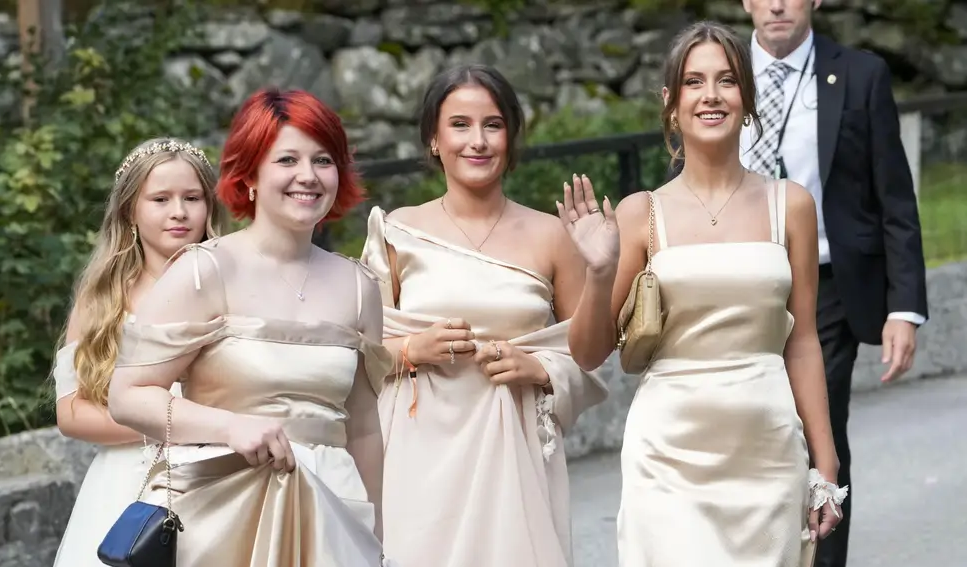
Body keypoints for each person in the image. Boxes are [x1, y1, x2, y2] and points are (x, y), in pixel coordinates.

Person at [559, 21, 847, 566]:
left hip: (766, 450)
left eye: (727, 81)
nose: (711, 96)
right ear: (671, 103)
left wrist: (825, 465)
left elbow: (803, 342)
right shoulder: (639, 212)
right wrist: (599, 272)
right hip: (667, 455)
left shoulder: (793, 205)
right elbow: (589, 352)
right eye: (694, 82)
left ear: (748, 98)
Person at [107, 88, 393, 566]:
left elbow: (363, 427)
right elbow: (127, 394)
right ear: (251, 175)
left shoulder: (360, 286)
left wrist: (377, 534)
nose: (308, 176)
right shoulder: (203, 271)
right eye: (288, 159)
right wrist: (230, 427)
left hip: (331, 514)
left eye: (323, 160)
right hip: (223, 515)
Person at [360, 64, 612, 567]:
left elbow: (590, 353)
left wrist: (542, 365)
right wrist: (412, 348)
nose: (477, 141)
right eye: (459, 125)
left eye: (493, 125)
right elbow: (358, 357)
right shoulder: (396, 231)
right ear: (434, 139)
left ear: (511, 137)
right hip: (418, 453)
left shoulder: (552, 235)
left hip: (514, 452)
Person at [737, 2, 929, 565]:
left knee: (816, 423)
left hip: (826, 285)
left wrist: (905, 307)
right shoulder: (718, 71)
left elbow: (894, 195)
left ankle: (821, 557)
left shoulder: (859, 75)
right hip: (739, 281)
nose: (776, 5)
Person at [52, 137, 223, 567]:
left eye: (192, 198)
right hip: (126, 484)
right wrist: (165, 421)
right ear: (131, 209)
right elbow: (71, 412)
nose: (179, 211)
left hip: (220, 474)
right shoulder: (102, 298)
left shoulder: (232, 282)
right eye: (160, 199)